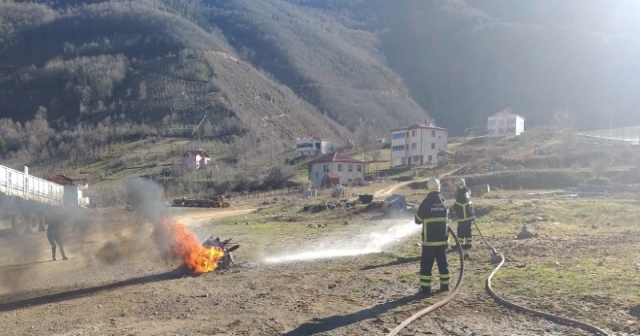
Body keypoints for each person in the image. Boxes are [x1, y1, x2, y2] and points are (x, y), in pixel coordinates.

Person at [414, 176, 450, 296]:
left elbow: (417, 220)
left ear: (428, 187)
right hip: (442, 242)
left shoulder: (426, 202)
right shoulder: (443, 202)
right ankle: (445, 286)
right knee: (443, 264)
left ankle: (425, 289)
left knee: (426, 265)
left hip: (429, 242)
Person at [451, 178, 475, 250]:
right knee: (467, 230)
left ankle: (459, 245)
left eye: (457, 186)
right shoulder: (467, 191)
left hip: (463, 216)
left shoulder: (461, 193)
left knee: (461, 230)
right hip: (469, 215)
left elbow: (457, 204)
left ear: (461, 185)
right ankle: (468, 244)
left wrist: (452, 208)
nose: (456, 188)